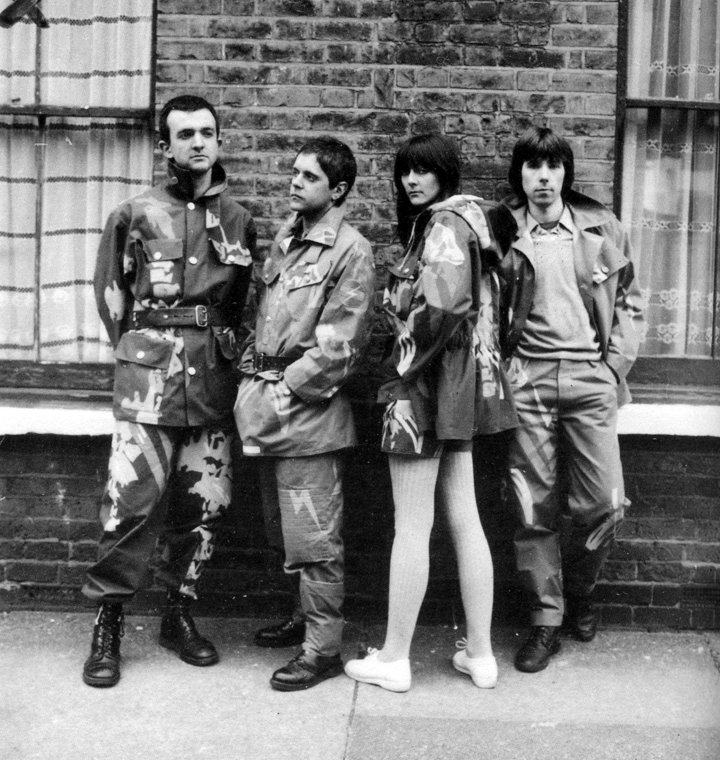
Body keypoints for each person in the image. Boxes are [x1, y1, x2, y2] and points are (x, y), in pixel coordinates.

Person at [82, 95, 257, 688]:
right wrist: (141, 352)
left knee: (204, 505)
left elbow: (237, 305)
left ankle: (178, 613)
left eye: (207, 132)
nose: (198, 143)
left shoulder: (238, 220)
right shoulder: (134, 214)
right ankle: (108, 623)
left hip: (211, 383)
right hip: (148, 386)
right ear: (166, 146)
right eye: (185, 135)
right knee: (128, 504)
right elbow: (110, 296)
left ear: (219, 141)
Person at [344, 133, 517, 692]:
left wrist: (402, 364)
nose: (411, 180)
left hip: (421, 388)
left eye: (423, 170)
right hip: (458, 391)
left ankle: (395, 659)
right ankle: (482, 656)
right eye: (405, 171)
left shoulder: (444, 224)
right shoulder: (473, 224)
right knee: (466, 520)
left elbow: (441, 304)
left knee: (412, 526)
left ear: (446, 174)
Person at [490, 126, 643, 673]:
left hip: (589, 380)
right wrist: (503, 366)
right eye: (532, 167)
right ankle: (545, 618)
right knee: (532, 505)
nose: (543, 178)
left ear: (565, 174)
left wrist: (612, 367)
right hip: (527, 382)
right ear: (520, 176)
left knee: (603, 503)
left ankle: (580, 591)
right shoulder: (502, 231)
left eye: (553, 166)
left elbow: (629, 302)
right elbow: (483, 304)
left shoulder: (601, 228)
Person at [234, 136, 376, 691]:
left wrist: (283, 389)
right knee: (284, 535)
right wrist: (253, 382)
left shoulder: (351, 250)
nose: (295, 181)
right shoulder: (287, 239)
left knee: (315, 543)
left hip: (309, 418)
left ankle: (322, 650)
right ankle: (303, 620)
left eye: (309, 176)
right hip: (270, 411)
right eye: (294, 172)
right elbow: (264, 319)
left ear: (337, 190)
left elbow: (341, 344)